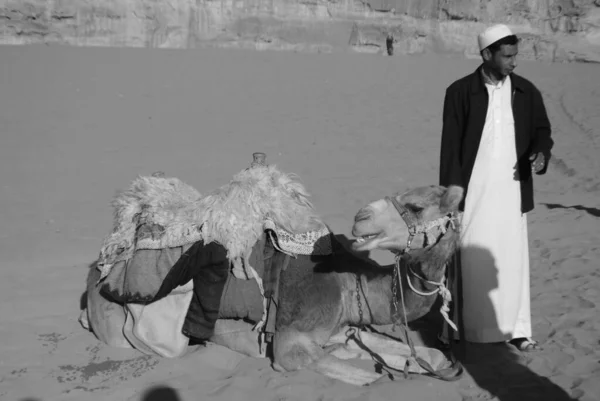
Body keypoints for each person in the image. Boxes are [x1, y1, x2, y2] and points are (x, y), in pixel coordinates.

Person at [438, 24, 554, 351]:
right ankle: (460, 331)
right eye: (507, 56)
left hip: (514, 193)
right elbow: (450, 151)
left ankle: (516, 329)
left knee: (512, 262)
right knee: (469, 261)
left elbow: (543, 132)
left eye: (516, 55)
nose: (513, 62)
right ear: (486, 54)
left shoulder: (526, 91)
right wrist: (452, 199)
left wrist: (541, 155)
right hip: (473, 195)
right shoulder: (459, 92)